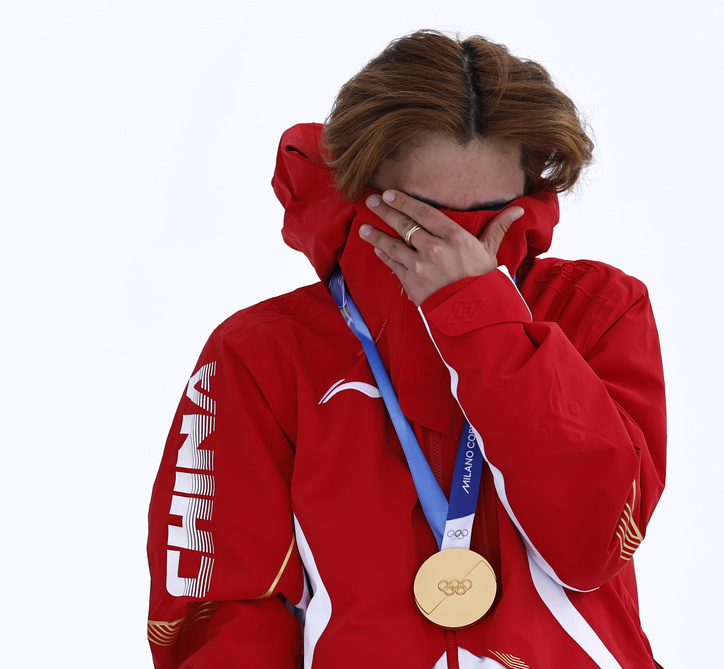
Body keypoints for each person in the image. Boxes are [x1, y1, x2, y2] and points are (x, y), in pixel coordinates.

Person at [147, 30, 667, 669]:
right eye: (423, 218)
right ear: (361, 186)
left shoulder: (596, 312)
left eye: (487, 217)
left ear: (529, 194)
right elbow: (222, 613)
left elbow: (592, 546)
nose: (453, 247)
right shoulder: (262, 354)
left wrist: (481, 318)